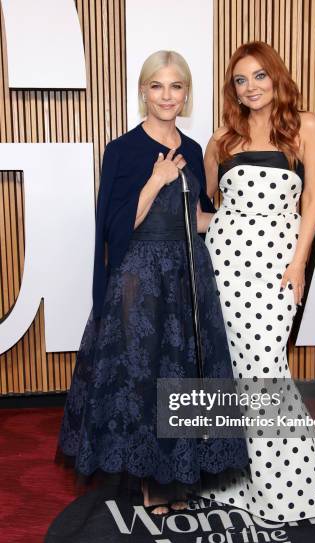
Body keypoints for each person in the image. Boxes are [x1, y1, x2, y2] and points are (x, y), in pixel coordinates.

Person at [55, 50, 248, 515]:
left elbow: (197, 218)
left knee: (183, 372)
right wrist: (156, 179)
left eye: (176, 86)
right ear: (143, 91)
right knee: (146, 376)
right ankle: (151, 480)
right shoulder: (123, 150)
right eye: (157, 86)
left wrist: (244, 216)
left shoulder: (196, 149)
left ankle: (178, 471)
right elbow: (117, 227)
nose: (167, 96)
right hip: (140, 274)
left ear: (186, 94)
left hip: (187, 272)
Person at [199, 41, 315, 521]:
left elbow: (312, 200)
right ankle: (233, 478)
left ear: (276, 77)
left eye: (259, 76)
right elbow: (208, 206)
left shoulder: (304, 125)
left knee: (266, 367)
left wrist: (299, 263)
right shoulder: (221, 139)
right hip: (225, 264)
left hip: (276, 263)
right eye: (240, 80)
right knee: (232, 370)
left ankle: (289, 486)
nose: (251, 87)